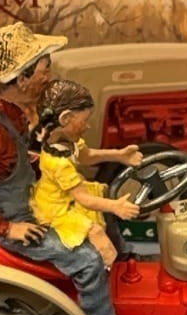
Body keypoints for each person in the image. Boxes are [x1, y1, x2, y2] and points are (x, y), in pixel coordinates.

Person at [0, 22, 147, 315]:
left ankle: (124, 271)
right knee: (86, 260)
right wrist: (8, 228)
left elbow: (15, 160)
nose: (48, 75)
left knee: (101, 207)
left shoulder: (12, 115)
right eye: (44, 68)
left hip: (37, 201)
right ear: (22, 78)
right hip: (21, 219)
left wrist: (48, 162)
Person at [29, 79, 143, 268]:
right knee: (97, 234)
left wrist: (119, 155)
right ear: (66, 118)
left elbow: (87, 156)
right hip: (57, 207)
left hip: (67, 195)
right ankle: (106, 271)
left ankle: (123, 253)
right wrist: (115, 206)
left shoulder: (67, 142)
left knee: (104, 193)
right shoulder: (58, 162)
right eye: (84, 120)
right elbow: (84, 199)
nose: (87, 126)